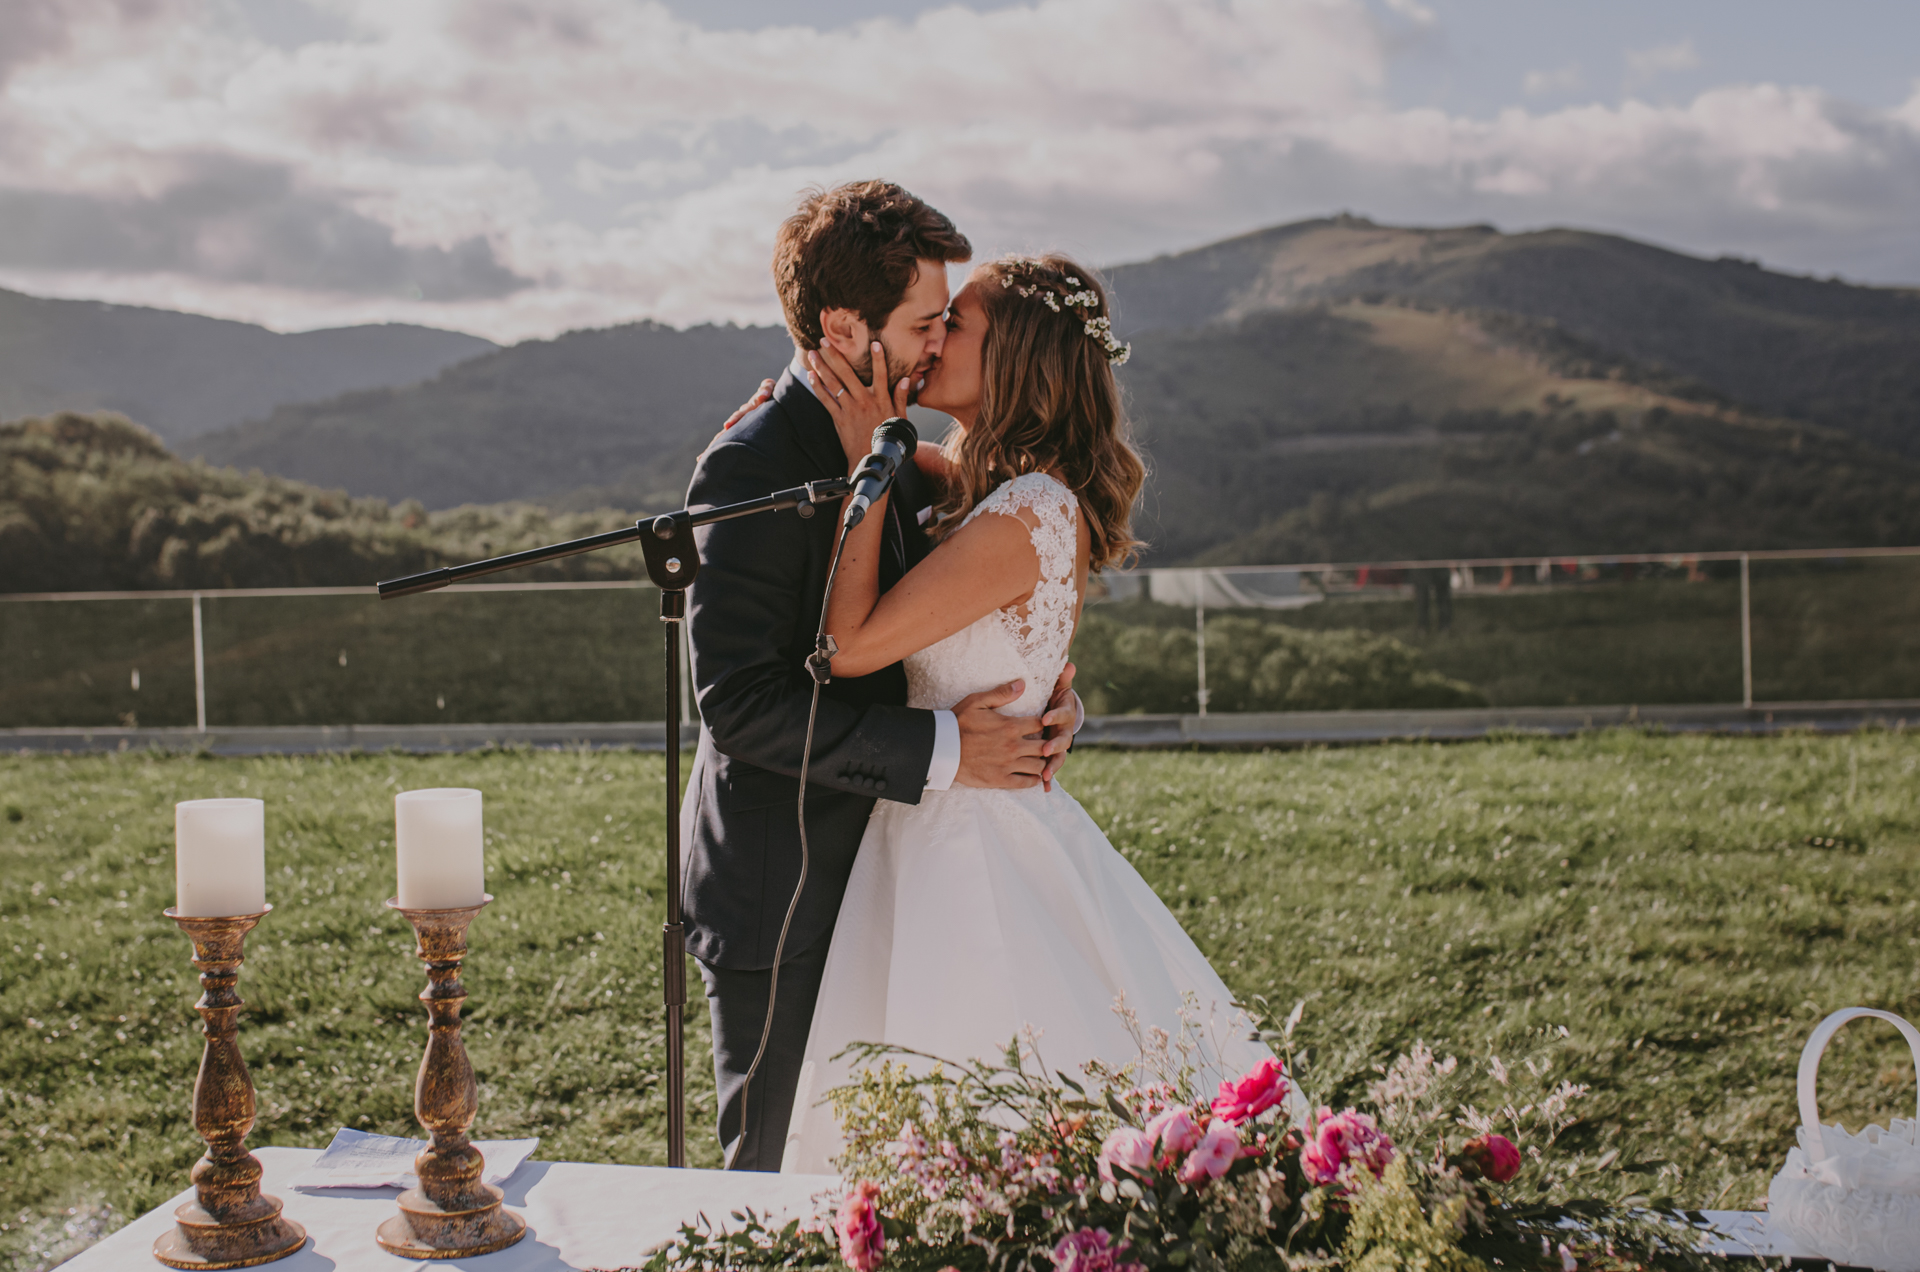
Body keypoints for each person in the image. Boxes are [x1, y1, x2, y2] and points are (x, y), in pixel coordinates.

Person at [779, 251, 1274, 1174]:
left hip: (970, 843)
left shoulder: (1028, 512)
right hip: (934, 815)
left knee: (985, 1102)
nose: (929, 342)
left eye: (952, 324)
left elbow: (845, 645)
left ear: (1013, 356)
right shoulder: (985, 488)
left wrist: (865, 473)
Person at [681, 181, 1084, 1172]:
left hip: (899, 873)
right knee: (778, 1178)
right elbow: (739, 706)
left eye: (950, 323)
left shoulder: (896, 446)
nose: (937, 343)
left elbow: (991, 586)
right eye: (923, 323)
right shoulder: (749, 466)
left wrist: (1043, 695)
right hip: (787, 886)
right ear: (844, 325)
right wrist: (952, 749)